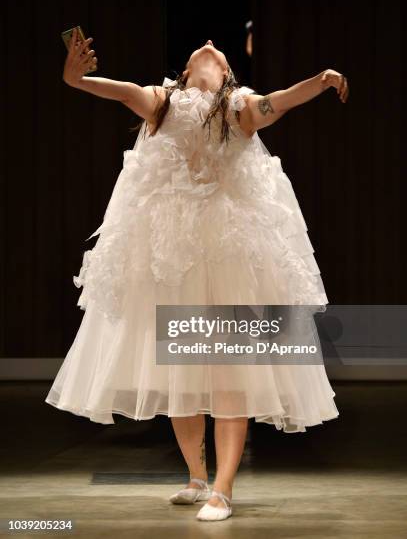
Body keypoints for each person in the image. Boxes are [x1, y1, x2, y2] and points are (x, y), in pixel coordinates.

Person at [45, 27, 349, 522]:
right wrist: (77, 79)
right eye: (197, 51)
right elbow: (114, 88)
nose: (208, 43)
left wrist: (321, 79)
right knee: (182, 374)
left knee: (229, 375)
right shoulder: (161, 102)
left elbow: (282, 101)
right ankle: (195, 476)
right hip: (176, 255)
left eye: (219, 52)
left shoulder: (240, 109)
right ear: (186, 72)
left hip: (229, 256)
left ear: (226, 74)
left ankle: (223, 488)